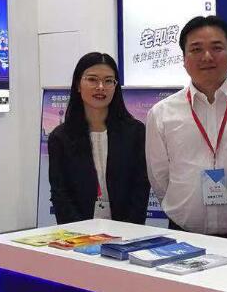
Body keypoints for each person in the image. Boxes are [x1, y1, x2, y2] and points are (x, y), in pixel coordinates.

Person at [146, 15, 227, 242]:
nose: (207, 56)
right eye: (196, 49)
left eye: (216, 48)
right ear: (184, 59)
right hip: (183, 236)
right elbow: (159, 178)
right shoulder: (161, 113)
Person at [48, 52, 150, 224]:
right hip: (78, 230)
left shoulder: (135, 132)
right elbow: (60, 194)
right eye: (92, 79)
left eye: (109, 81)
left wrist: (129, 229)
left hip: (127, 229)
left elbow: (141, 187)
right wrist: (80, 232)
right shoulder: (60, 137)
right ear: (78, 85)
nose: (101, 87)